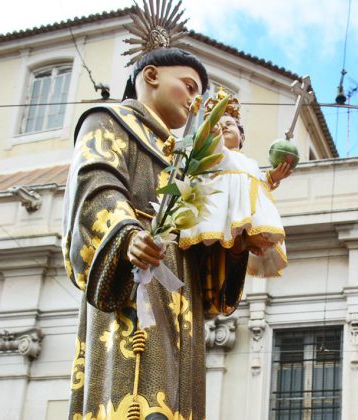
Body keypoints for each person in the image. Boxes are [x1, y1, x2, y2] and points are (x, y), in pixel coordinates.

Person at [62, 47, 271, 420]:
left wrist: (234, 247)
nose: (194, 100)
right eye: (188, 86)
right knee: (134, 393)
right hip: (129, 269)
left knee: (177, 396)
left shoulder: (189, 159)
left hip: (180, 288)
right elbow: (95, 184)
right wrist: (126, 234)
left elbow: (200, 237)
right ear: (152, 76)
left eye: (198, 93)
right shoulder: (108, 120)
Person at [179, 96, 292, 277]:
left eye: (230, 124)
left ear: (242, 137)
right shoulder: (219, 155)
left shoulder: (250, 162)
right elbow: (213, 147)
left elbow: (258, 182)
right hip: (221, 210)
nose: (224, 126)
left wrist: (273, 177)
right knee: (216, 256)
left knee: (239, 250)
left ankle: (249, 243)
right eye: (220, 123)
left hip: (246, 215)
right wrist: (212, 132)